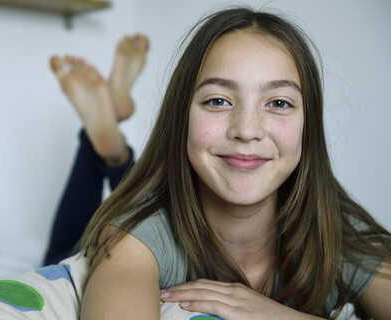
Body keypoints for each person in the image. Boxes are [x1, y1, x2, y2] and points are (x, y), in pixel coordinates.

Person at [79, 7, 391, 320]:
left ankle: (107, 149)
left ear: (307, 127)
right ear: (182, 117)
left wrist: (278, 316)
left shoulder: (336, 231)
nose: (246, 130)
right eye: (218, 101)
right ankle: (105, 150)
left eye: (279, 103)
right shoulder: (134, 239)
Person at [43, 34, 149, 265]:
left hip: (91, 255)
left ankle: (115, 155)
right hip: (139, 242)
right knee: (155, 218)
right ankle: (113, 151)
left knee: (56, 262)